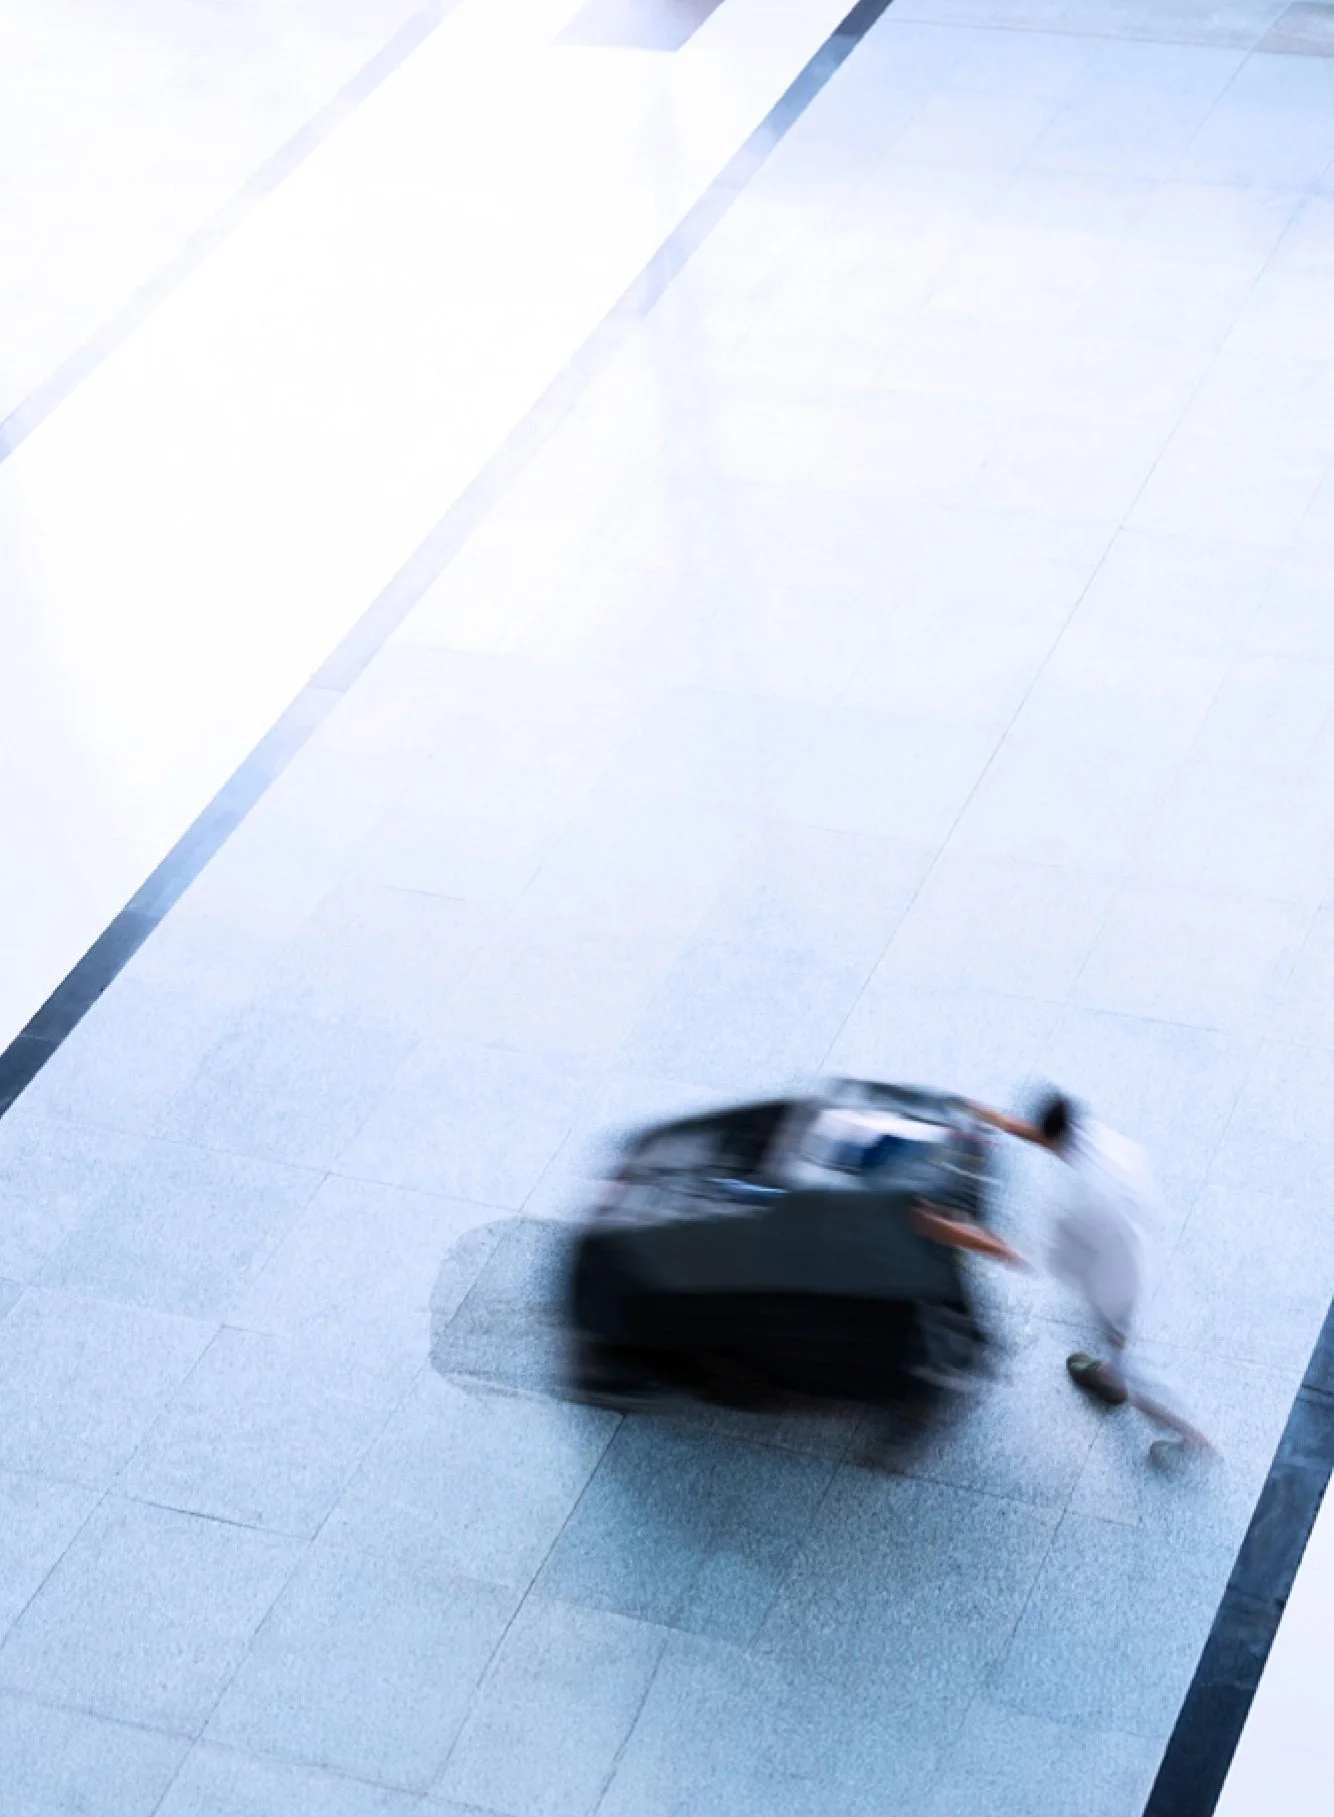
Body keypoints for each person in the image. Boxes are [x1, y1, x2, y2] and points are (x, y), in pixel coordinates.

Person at [968, 1089, 1215, 1468]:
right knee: (1117, 1340)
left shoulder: (1079, 1204)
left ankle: (1190, 1436)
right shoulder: (1101, 1139)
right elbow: (1054, 1141)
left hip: (1117, 1282)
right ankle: (1112, 1372)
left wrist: (991, 1243)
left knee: (1132, 1365)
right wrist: (1001, 1122)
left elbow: (1051, 1259)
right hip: (1138, 1247)